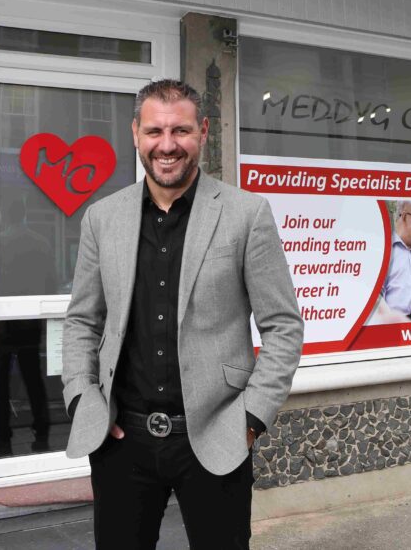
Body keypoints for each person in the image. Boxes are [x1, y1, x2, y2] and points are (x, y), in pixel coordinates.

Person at [61, 79, 304, 549]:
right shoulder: (102, 218)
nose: (167, 145)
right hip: (121, 440)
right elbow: (82, 321)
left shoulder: (246, 214)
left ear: (203, 131)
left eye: (181, 131)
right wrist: (80, 399)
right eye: (155, 131)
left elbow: (283, 326)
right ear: (136, 133)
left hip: (217, 437)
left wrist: (252, 419)